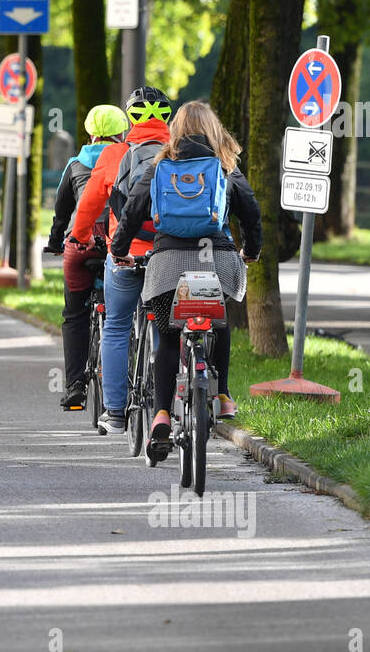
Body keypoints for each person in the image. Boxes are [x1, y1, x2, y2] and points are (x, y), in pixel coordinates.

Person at [111, 100, 262, 463]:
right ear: (213, 129)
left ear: (175, 130)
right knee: (218, 322)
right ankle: (223, 395)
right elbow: (251, 212)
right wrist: (251, 251)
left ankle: (161, 412)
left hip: (167, 265)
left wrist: (119, 249)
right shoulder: (225, 164)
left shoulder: (162, 164)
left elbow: (132, 209)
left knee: (167, 336)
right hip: (217, 262)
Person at [64, 87, 173, 429]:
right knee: (167, 325)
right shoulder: (181, 153)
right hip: (167, 254)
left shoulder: (114, 155)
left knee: (116, 326)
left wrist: (80, 238)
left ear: (131, 120)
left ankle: (114, 413)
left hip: (124, 256)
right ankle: (163, 407)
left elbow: (88, 208)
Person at [46, 104, 128, 410]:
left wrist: (55, 243)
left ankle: (75, 386)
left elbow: (61, 212)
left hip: (80, 247)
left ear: (90, 133)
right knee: (122, 315)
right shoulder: (127, 161)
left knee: (74, 314)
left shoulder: (75, 164)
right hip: (116, 245)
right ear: (122, 133)